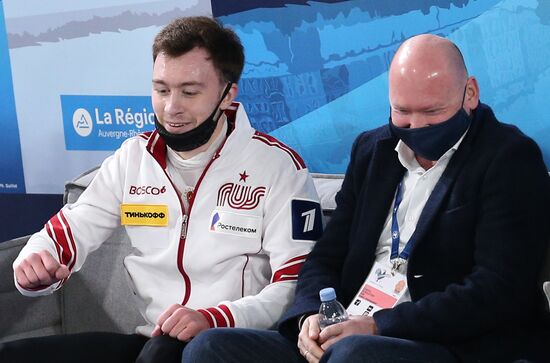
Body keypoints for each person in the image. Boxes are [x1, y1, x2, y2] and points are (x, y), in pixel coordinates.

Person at [181, 34, 550, 362]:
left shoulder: (509, 158)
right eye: (402, 112)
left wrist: (378, 326)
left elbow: (499, 289)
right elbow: (326, 256)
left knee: (355, 354)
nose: (416, 127)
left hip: (443, 343)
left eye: (433, 112)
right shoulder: (372, 151)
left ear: (470, 93)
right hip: (347, 333)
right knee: (209, 348)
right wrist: (312, 315)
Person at [0, 16, 321, 363]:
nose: (171, 108)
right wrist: (37, 261)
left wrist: (216, 317)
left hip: (230, 343)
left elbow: (296, 287)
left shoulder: (279, 168)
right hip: (152, 340)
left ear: (228, 95)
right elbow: (70, 230)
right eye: (162, 89)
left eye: (189, 92)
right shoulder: (133, 158)